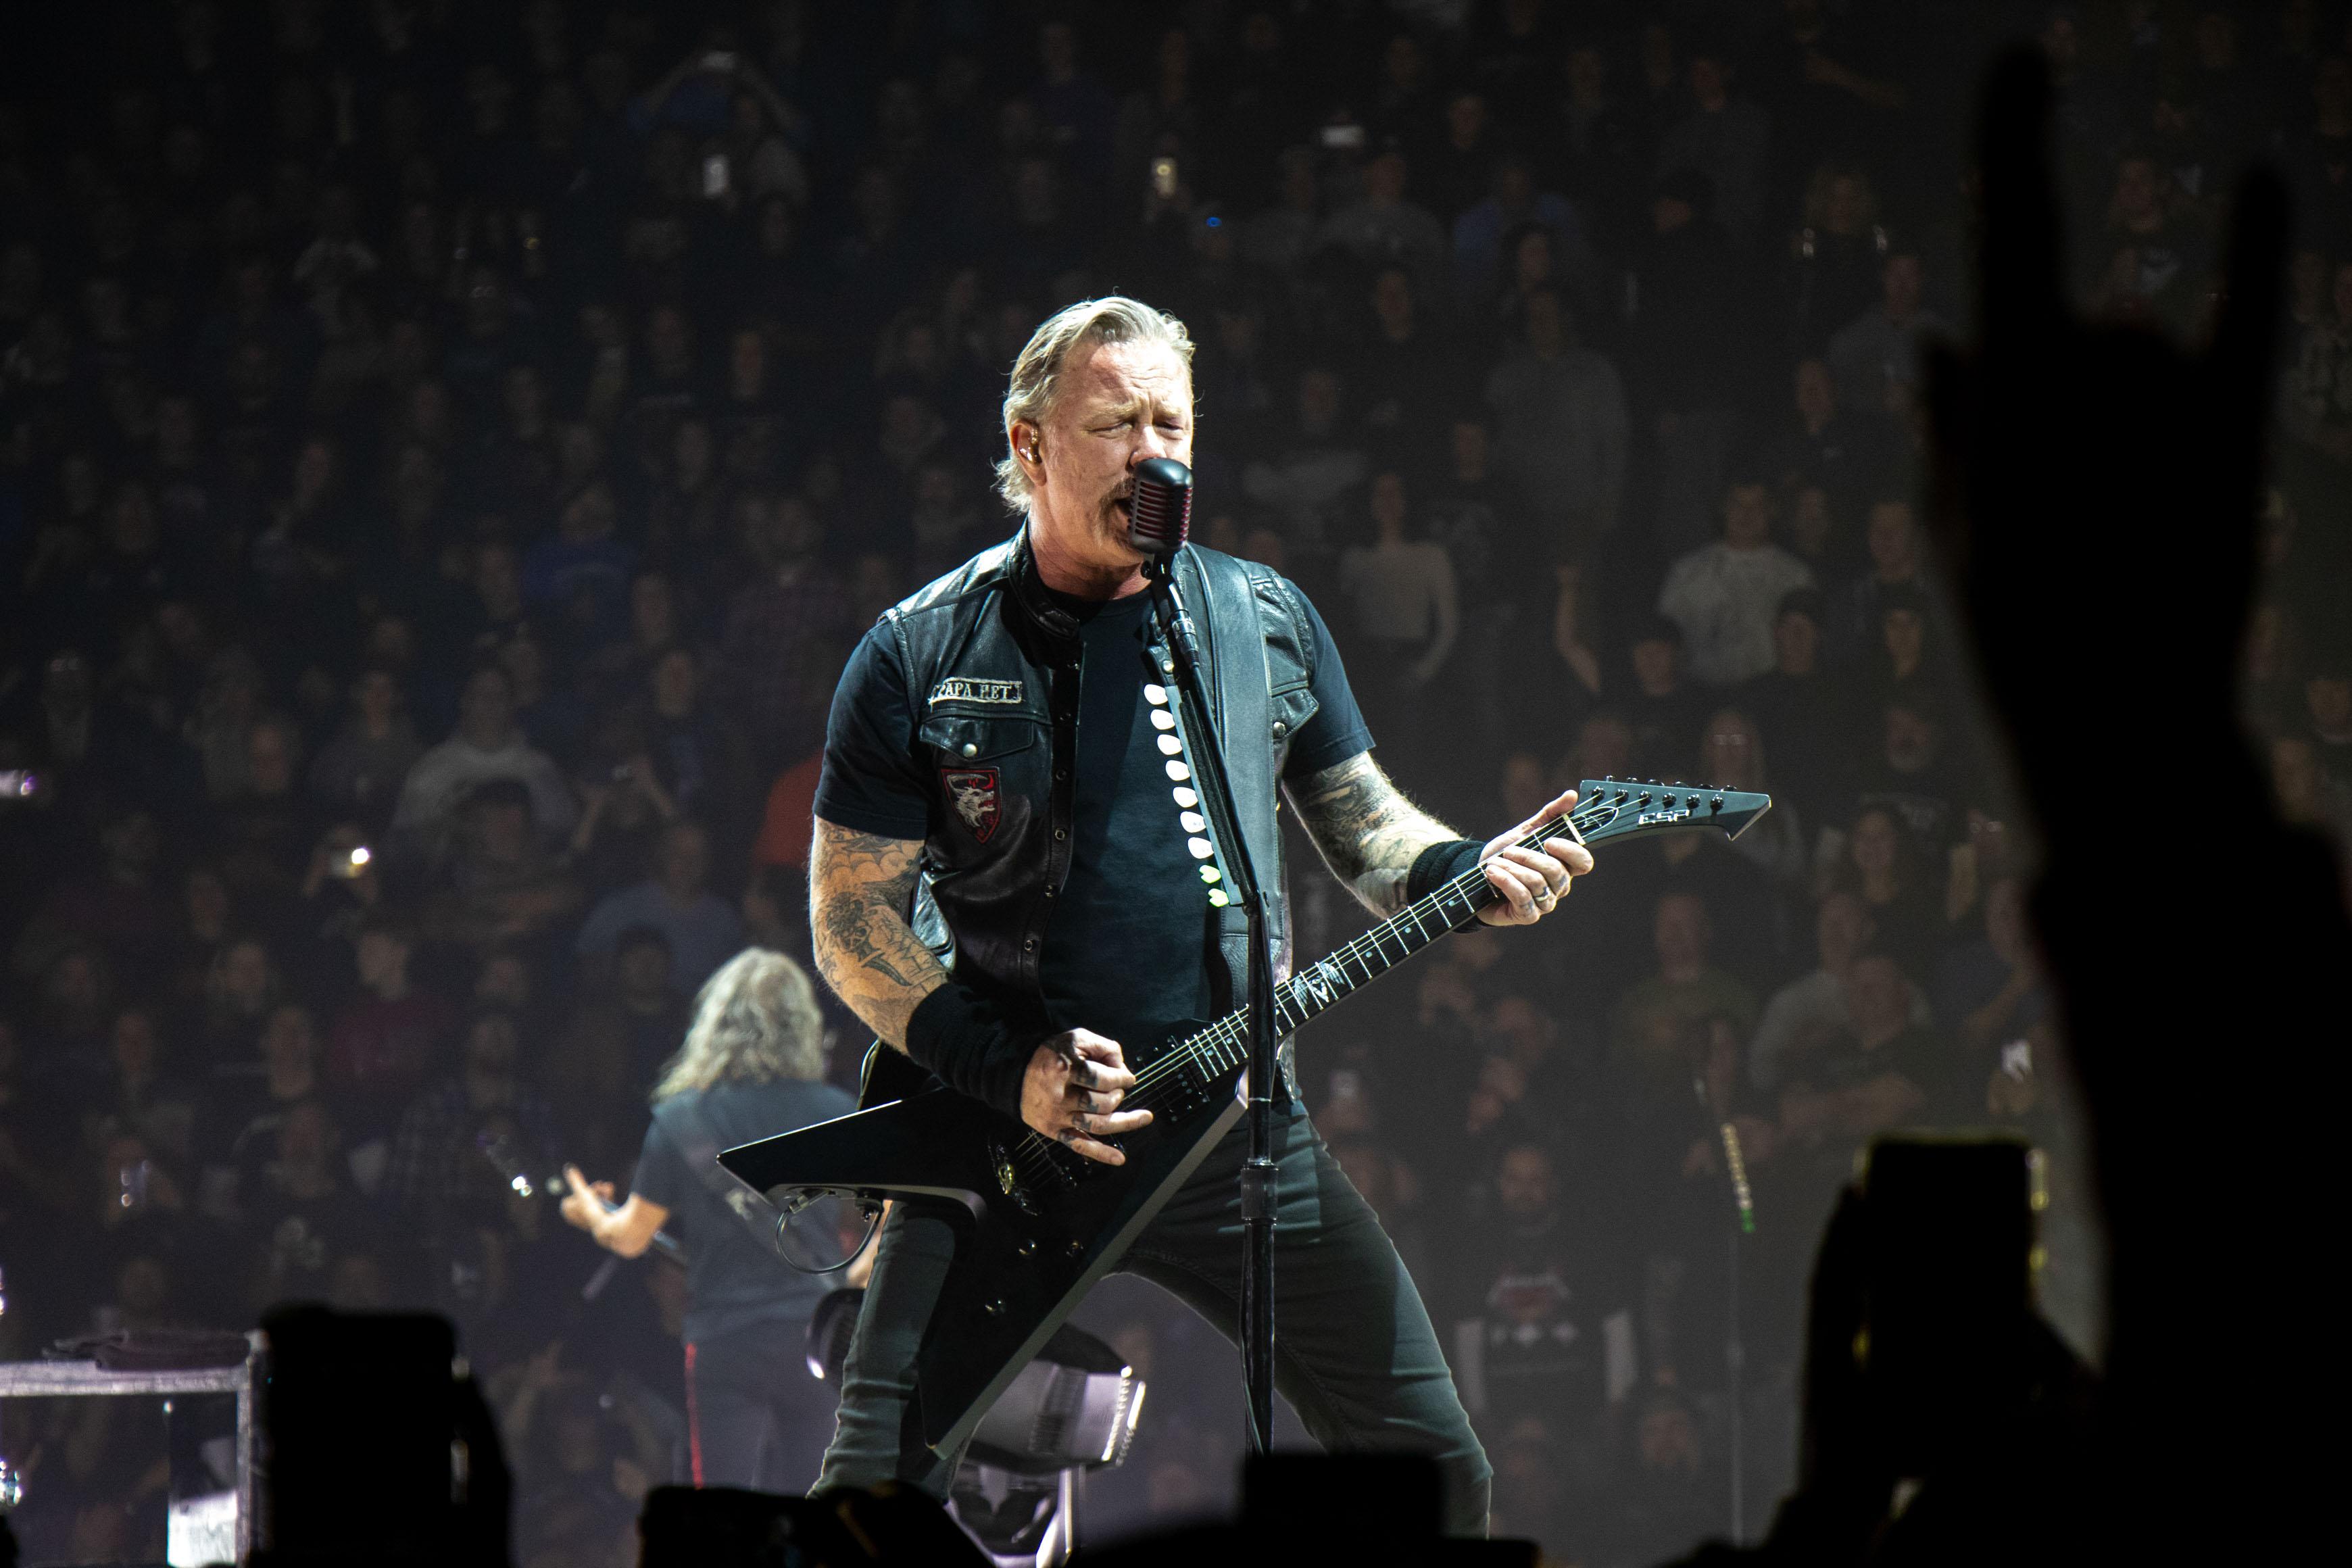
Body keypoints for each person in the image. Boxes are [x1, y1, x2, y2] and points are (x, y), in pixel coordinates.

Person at [804, 297, 1591, 1534]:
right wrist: (1009, 1071)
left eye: (1171, 424)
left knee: (1437, 1476)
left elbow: (1364, 830)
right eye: (1116, 425)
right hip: (999, 1140)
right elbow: (851, 926)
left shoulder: (1255, 617)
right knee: (870, 1494)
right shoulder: (920, 649)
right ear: (1028, 447)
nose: (1152, 453)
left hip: (1232, 1129)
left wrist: (1466, 869)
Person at [560, 948, 857, 1495]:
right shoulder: (836, 1112)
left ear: (715, 1025)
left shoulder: (681, 1120)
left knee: (722, 1508)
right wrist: (851, 1279)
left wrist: (590, 1214)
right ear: (804, 1026)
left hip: (726, 1338)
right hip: (815, 1333)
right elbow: (885, 1224)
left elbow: (630, 1238)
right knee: (817, 1502)